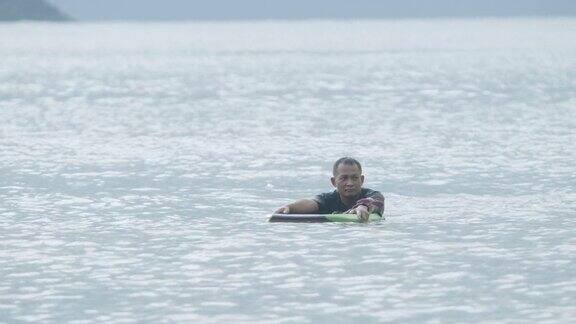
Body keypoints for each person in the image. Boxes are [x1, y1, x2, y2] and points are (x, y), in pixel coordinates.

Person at [274, 157, 384, 222]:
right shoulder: (327, 199)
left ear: (362, 180)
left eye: (355, 178)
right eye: (344, 178)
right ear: (333, 182)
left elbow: (375, 201)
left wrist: (363, 206)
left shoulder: (373, 195)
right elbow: (311, 203)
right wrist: (290, 207)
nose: (350, 183)